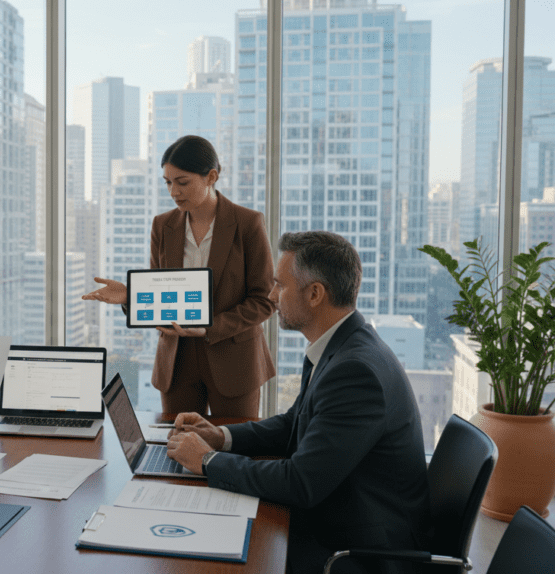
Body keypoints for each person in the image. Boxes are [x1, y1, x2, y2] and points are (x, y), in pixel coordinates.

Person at [166, 231, 430, 574]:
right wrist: (223, 437)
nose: (272, 296)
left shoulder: (355, 371)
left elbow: (301, 483)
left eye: (280, 285)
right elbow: (295, 422)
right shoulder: (343, 346)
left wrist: (207, 461)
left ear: (316, 293)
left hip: (361, 551)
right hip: (342, 516)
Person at [82, 135, 275, 416]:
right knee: (175, 446)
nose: (173, 192)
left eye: (182, 182)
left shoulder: (247, 223)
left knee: (234, 450)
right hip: (176, 360)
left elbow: (264, 300)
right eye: (168, 182)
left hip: (234, 360)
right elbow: (160, 291)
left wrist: (210, 328)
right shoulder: (163, 225)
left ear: (211, 177)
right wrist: (131, 296)